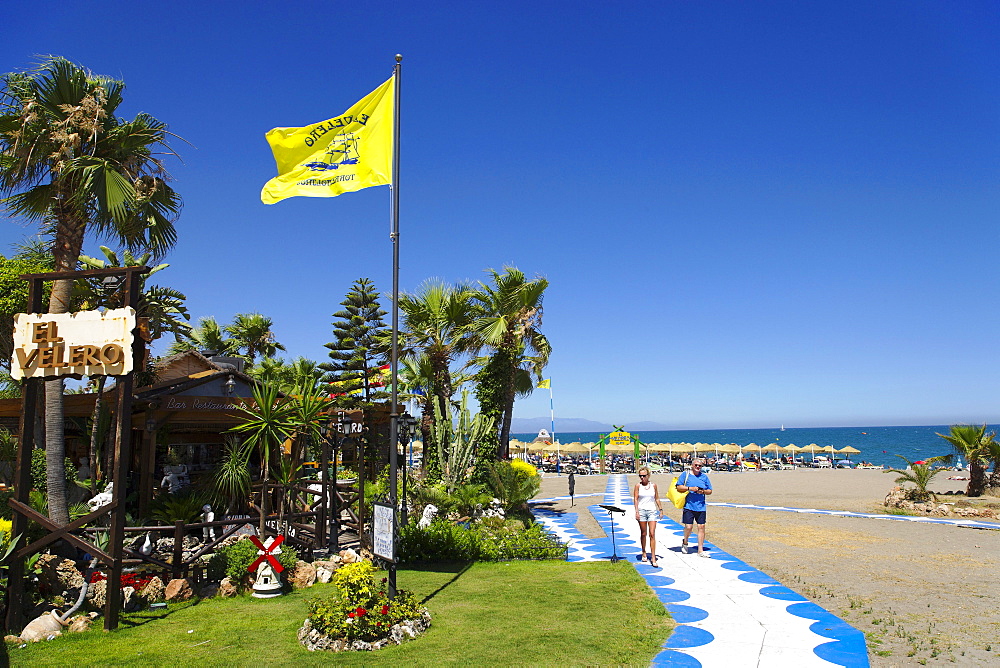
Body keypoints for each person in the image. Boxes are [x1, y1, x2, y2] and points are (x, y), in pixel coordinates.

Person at [676, 458, 713, 557]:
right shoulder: (686, 475)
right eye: (696, 465)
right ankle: (685, 541)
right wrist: (690, 488)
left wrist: (703, 491)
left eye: (700, 466)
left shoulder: (704, 477)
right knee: (689, 527)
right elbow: (678, 486)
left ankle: (700, 550)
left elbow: (710, 490)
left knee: (701, 526)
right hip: (688, 505)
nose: (697, 467)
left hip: (701, 506)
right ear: (692, 465)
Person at [632, 466, 663, 567]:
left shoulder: (653, 486)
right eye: (640, 476)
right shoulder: (638, 486)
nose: (642, 478)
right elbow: (636, 499)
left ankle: (653, 557)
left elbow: (656, 498)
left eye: (644, 476)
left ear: (648, 475)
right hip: (642, 510)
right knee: (644, 533)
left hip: (652, 511)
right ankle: (644, 551)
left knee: (652, 533)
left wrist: (660, 509)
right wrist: (636, 511)